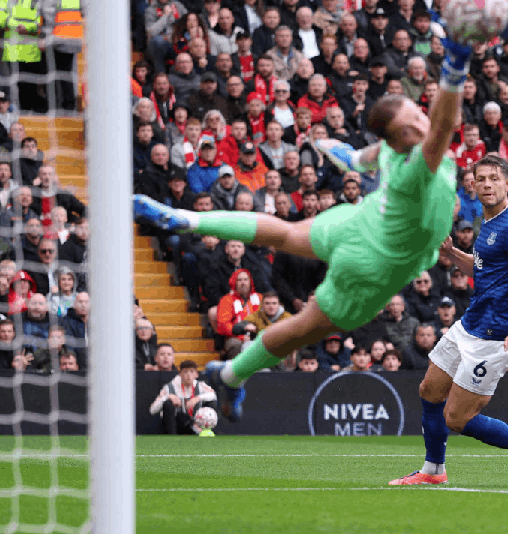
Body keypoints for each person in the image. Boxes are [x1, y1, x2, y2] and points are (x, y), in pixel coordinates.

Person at [135, 29, 474, 419]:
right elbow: (444, 122)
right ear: (402, 142)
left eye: (416, 118)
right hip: (375, 263)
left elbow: (371, 153)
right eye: (410, 129)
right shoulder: (420, 164)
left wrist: (348, 156)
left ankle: (185, 218)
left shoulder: (394, 150)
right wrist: (455, 66)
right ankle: (231, 373)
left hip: (361, 221)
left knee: (285, 231)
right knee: (302, 329)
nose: (419, 128)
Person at [389, 155, 508, 487]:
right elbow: (483, 273)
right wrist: (453, 254)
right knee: (429, 390)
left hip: (496, 336)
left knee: (457, 418)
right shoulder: (488, 223)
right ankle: (433, 470)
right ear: (473, 185)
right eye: (480, 179)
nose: (487, 184)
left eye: (494, 178)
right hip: (469, 325)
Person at [148, 360, 218, 435]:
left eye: (191, 371)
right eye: (185, 372)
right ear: (180, 374)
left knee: (212, 403)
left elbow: (213, 395)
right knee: (168, 404)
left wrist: (197, 398)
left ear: (196, 374)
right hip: (177, 424)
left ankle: (206, 432)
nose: (189, 375)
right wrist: (169, 396)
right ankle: (171, 437)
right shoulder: (170, 387)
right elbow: (152, 410)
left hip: (196, 423)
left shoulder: (201, 386)